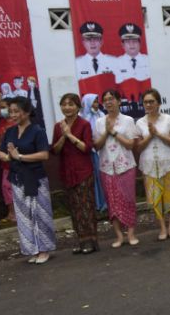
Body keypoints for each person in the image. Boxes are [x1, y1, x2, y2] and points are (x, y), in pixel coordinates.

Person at [0, 97, 56, 264]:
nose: (13, 115)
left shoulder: (37, 130)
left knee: (40, 214)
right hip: (17, 178)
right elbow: (0, 152)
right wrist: (8, 156)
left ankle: (44, 249)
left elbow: (44, 154)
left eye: (16, 111)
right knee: (24, 216)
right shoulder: (10, 131)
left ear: (27, 112)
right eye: (11, 112)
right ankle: (33, 249)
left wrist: (20, 156)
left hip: (35, 178)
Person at [52, 93, 99, 254]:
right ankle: (81, 241)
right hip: (67, 172)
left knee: (86, 206)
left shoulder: (84, 124)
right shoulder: (58, 126)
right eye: (64, 104)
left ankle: (92, 241)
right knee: (74, 208)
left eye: (71, 104)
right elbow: (55, 150)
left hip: (83, 171)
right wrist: (63, 136)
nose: (67, 107)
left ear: (78, 107)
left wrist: (70, 135)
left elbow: (86, 148)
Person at [93, 89, 140, 247]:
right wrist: (106, 132)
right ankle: (119, 236)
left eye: (111, 98)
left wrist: (113, 132)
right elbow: (97, 146)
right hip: (106, 167)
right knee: (112, 202)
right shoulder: (99, 122)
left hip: (125, 165)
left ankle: (131, 234)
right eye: (105, 99)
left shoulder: (127, 120)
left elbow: (130, 145)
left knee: (128, 199)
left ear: (119, 101)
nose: (108, 102)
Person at [136, 89, 170, 240]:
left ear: (159, 103)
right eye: (145, 102)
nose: (148, 105)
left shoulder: (168, 119)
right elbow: (138, 147)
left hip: (168, 162)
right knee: (155, 197)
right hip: (149, 164)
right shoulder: (140, 122)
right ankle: (162, 227)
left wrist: (159, 134)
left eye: (151, 102)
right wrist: (150, 135)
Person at [80, 94, 108, 213]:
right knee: (94, 178)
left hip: (103, 149)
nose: (96, 104)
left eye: (97, 102)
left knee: (104, 176)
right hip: (90, 152)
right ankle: (97, 203)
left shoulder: (101, 115)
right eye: (93, 102)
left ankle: (106, 203)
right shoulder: (82, 118)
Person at [0, 98, 17, 228]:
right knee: (6, 186)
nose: (1, 110)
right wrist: (1, 154)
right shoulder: (2, 123)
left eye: (4, 107)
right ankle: (11, 213)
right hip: (5, 161)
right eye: (0, 107)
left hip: (18, 160)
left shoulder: (17, 122)